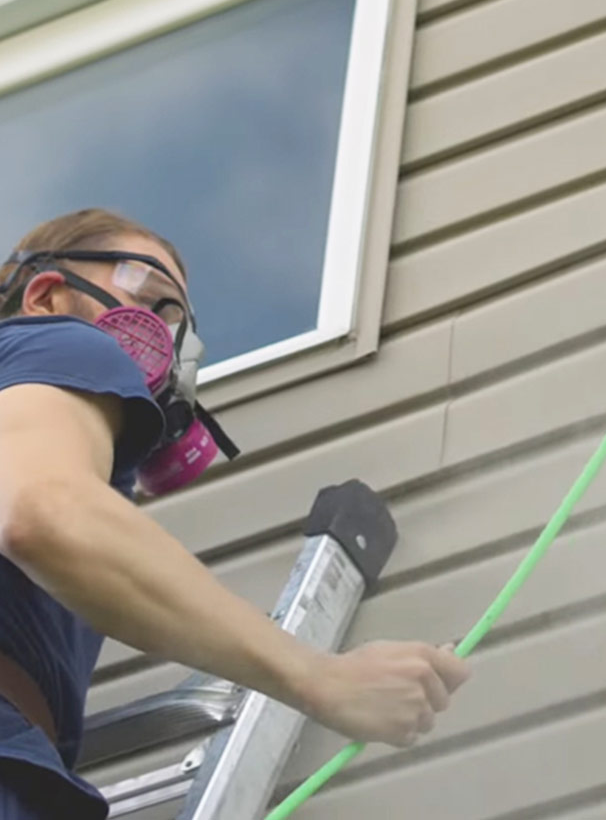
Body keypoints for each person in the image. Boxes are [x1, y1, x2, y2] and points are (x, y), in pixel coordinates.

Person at [0, 208, 470, 819]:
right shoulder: (68, 343)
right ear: (45, 294)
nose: (166, 344)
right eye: (153, 302)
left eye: (180, 326)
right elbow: (46, 511)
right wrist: (320, 677)